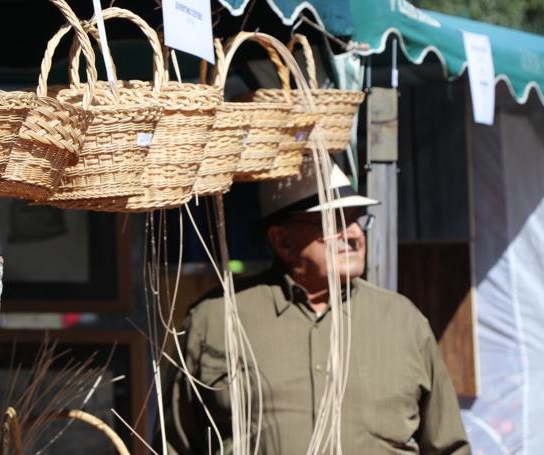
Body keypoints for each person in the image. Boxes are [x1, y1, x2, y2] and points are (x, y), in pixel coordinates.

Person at [163, 162, 470, 454]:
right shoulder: (216, 320)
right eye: (333, 222)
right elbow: (174, 445)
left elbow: (448, 447)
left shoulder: (404, 323)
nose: (353, 234)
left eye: (356, 218)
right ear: (283, 241)